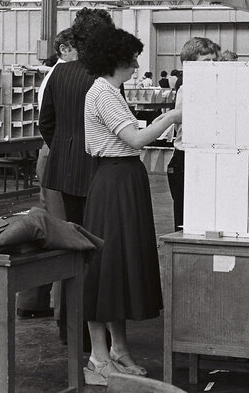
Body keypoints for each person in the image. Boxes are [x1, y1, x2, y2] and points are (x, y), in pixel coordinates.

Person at [81, 26, 182, 386]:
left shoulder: (110, 91)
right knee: (106, 268)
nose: (138, 63)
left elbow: (130, 133)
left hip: (123, 180)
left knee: (120, 267)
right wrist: (171, 117)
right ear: (117, 58)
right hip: (114, 182)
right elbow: (136, 139)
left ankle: (118, 349)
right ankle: (97, 356)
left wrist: (159, 122)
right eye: (134, 57)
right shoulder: (104, 94)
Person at [39, 7, 114, 343]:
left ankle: (70, 330)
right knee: (98, 250)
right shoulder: (104, 77)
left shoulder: (59, 73)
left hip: (65, 170)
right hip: (97, 169)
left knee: (73, 246)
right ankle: (92, 335)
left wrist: (65, 148)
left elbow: (46, 122)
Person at [16, 28, 78, 319]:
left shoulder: (59, 73)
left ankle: (33, 301)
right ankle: (61, 311)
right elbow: (48, 123)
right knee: (59, 232)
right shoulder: (60, 75)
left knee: (50, 225)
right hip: (55, 154)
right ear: (64, 49)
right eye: (80, 47)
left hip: (52, 153)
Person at [168, 37, 220, 231]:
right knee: (186, 220)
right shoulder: (187, 90)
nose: (212, 66)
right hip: (186, 160)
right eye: (206, 62)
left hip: (203, 158)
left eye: (214, 61)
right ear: (189, 64)